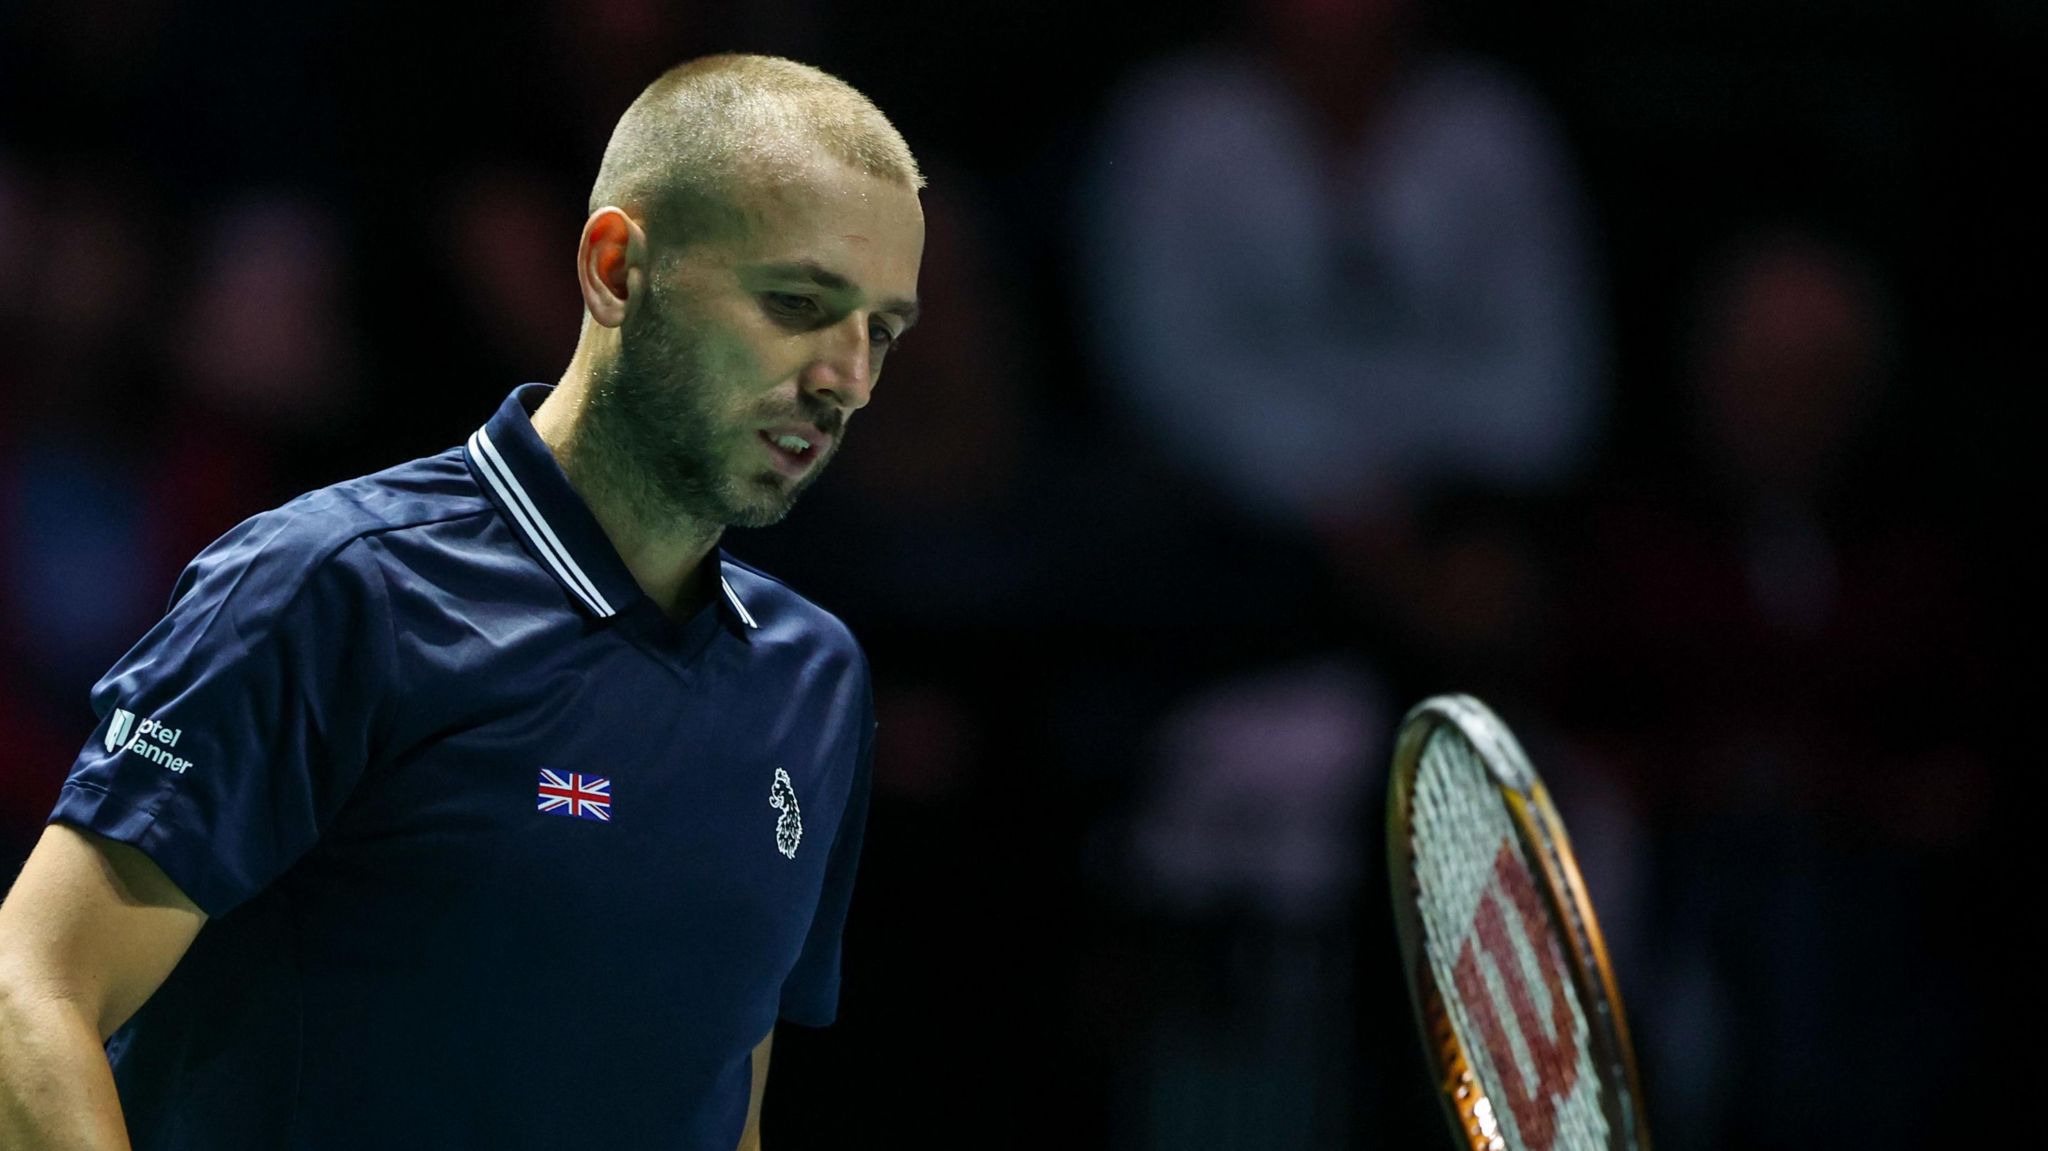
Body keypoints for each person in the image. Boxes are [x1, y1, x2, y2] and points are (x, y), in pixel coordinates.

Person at [0, 53, 925, 1151]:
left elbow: (724, 1097)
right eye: (797, 304)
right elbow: (29, 998)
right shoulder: (331, 587)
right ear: (616, 269)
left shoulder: (813, 678)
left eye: (880, 329)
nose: (847, 377)